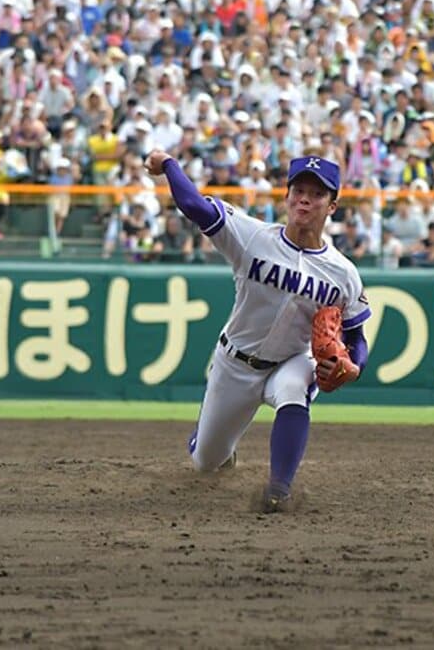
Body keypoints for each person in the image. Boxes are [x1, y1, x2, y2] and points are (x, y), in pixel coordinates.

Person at [145, 149, 371, 513]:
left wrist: (355, 365)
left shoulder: (343, 272)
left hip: (293, 360)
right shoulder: (253, 237)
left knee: (296, 390)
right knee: (206, 461)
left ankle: (279, 490)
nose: (305, 200)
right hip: (236, 363)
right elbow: (195, 206)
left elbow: (356, 336)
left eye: (317, 194)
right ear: (286, 197)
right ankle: (211, 445)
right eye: (298, 191)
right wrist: (169, 165)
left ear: (332, 206)